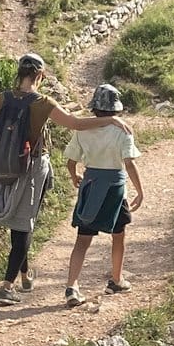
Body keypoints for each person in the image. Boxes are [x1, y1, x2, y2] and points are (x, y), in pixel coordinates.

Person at [0, 54, 99, 304]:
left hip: (3, 166)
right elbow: (76, 124)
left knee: (20, 224)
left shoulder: (1, 99)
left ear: (19, 73)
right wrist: (110, 120)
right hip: (32, 168)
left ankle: (24, 275)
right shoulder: (43, 102)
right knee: (25, 223)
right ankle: (6, 287)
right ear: (40, 76)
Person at [63, 84, 144, 306]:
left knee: (82, 239)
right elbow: (129, 163)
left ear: (95, 108)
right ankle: (116, 279)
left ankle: (72, 286)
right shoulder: (123, 130)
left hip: (90, 186)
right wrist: (140, 190)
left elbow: (71, 161)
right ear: (116, 109)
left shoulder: (83, 129)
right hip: (115, 190)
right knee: (119, 235)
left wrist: (74, 176)